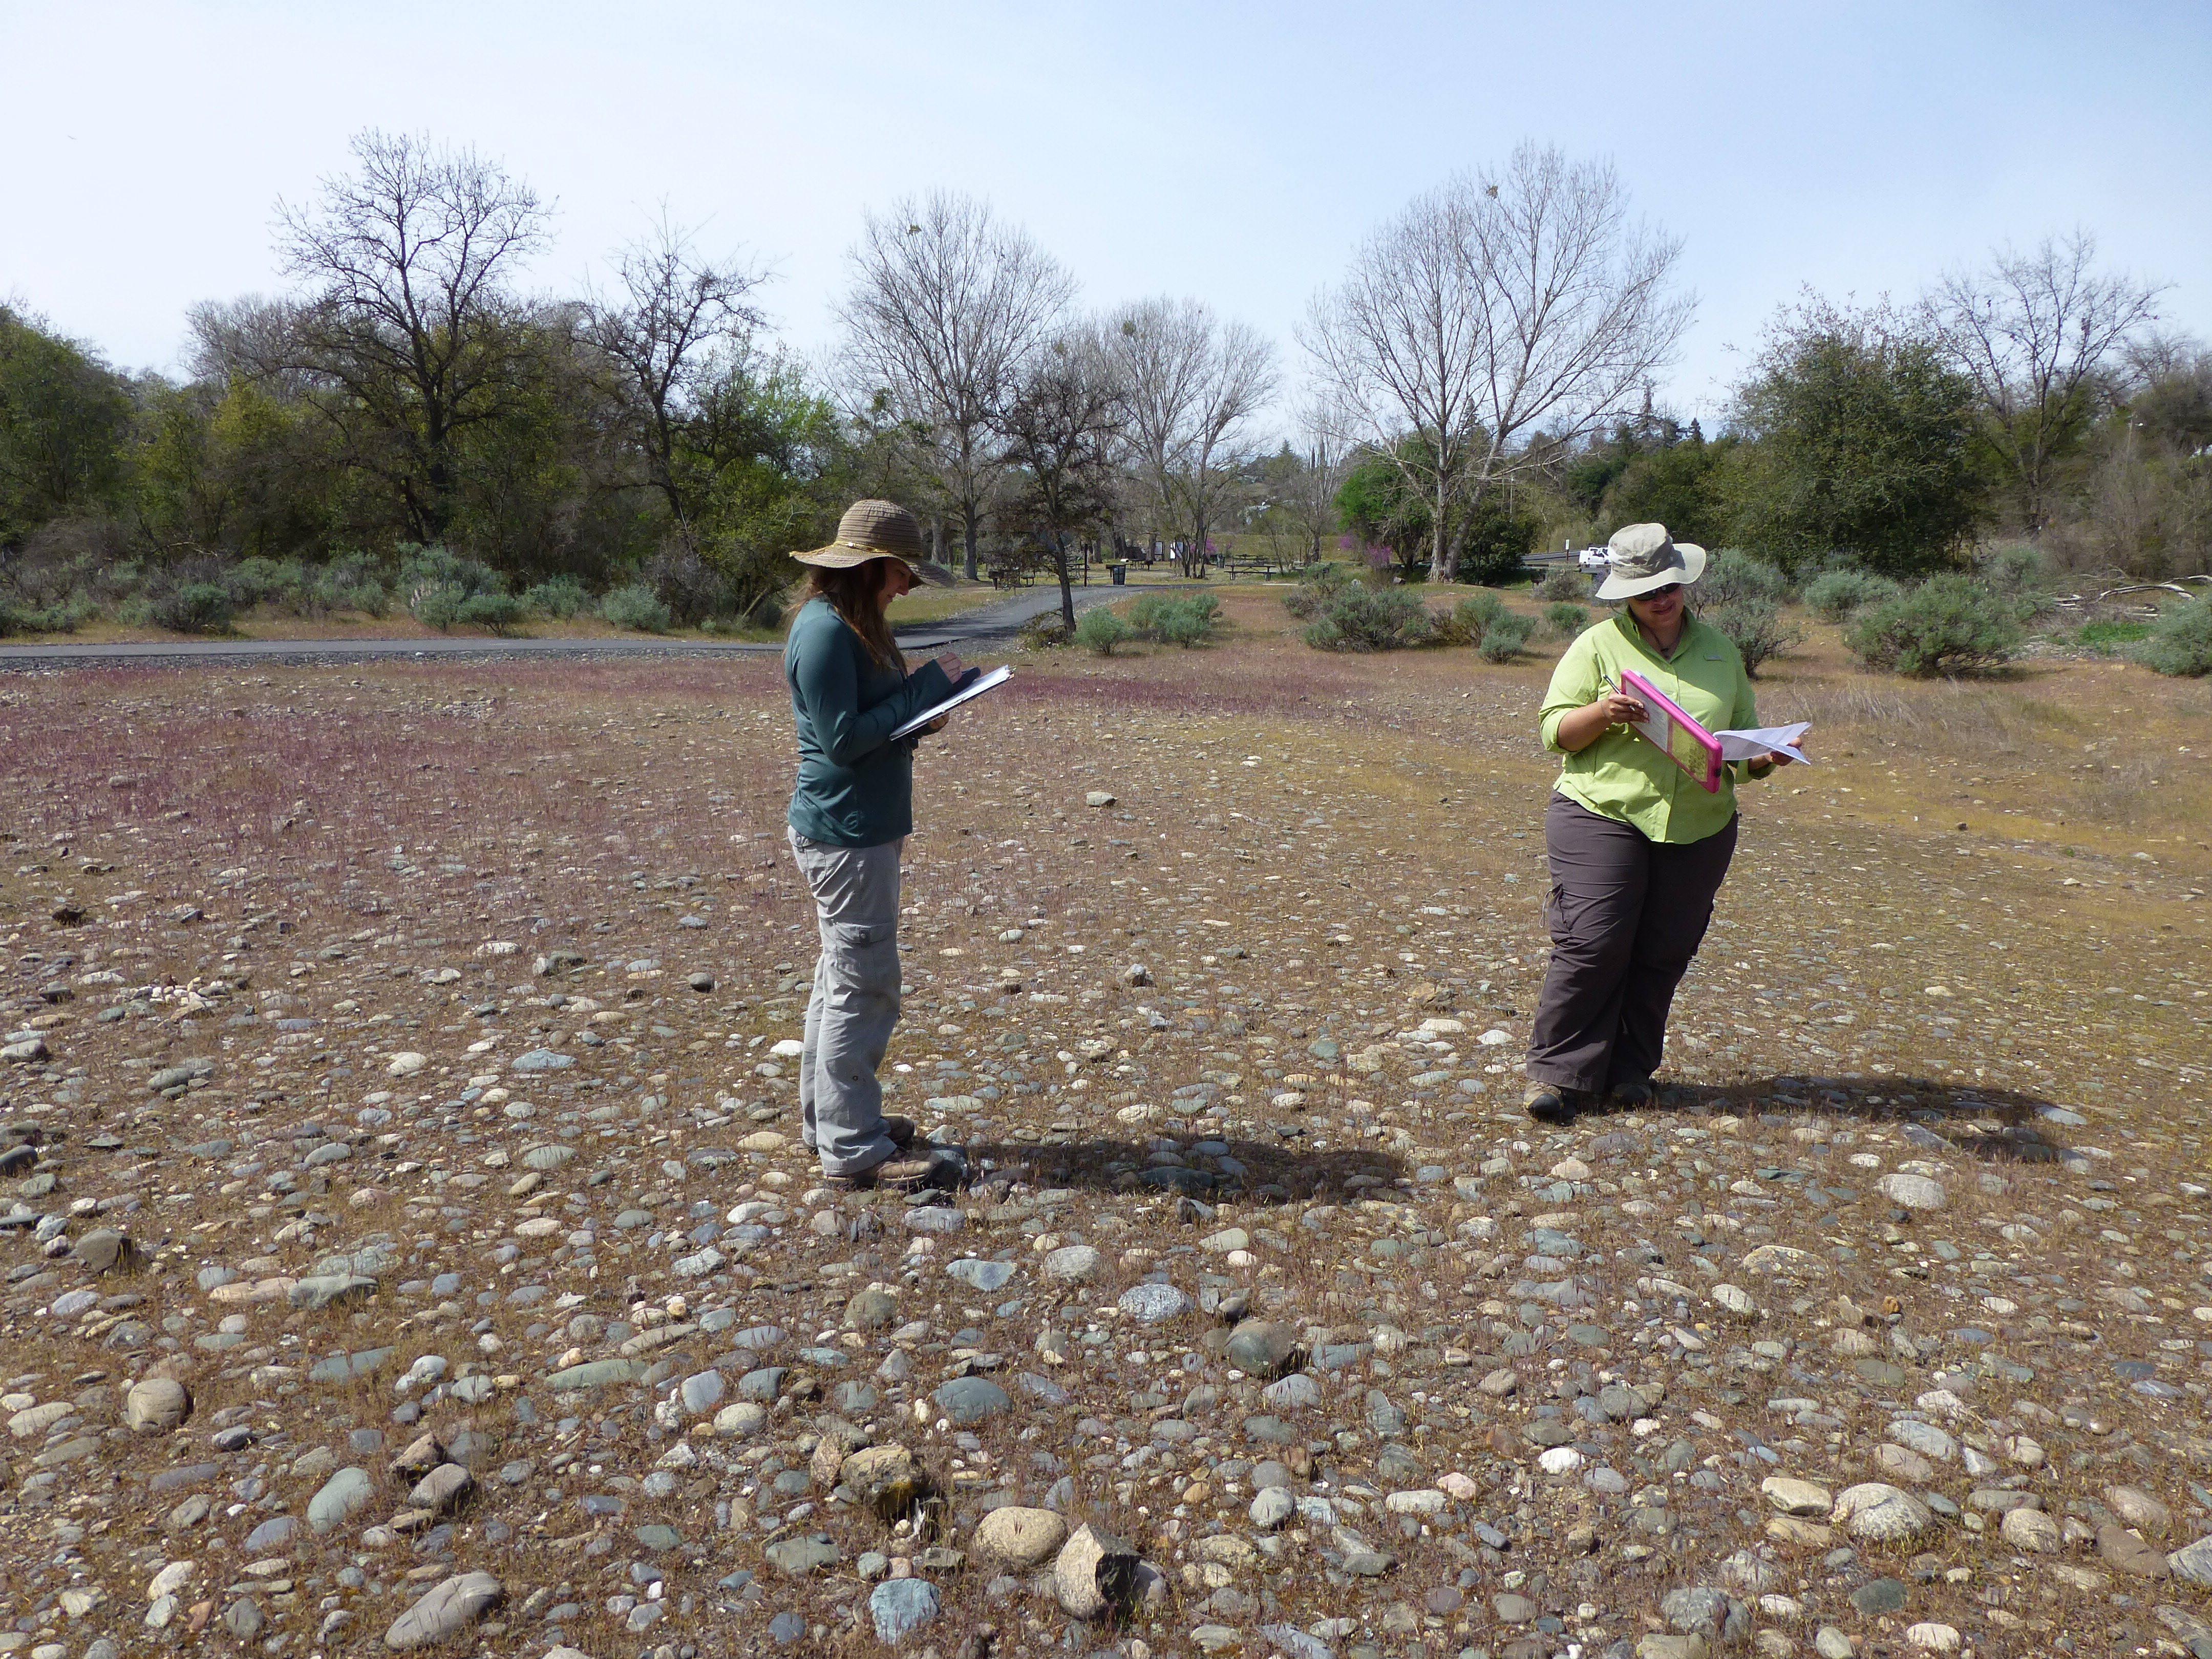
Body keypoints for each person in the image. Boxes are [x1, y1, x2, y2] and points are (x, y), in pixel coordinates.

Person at [1522, 523, 1807, 1124]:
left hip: (1700, 825)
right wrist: (1602, 712)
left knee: (1664, 949)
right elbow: (1554, 733)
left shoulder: (1721, 651)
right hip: (1604, 812)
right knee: (1593, 942)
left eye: (1669, 586)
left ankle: (1630, 1072)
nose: (1661, 599)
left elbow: (1739, 751)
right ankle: (1561, 1075)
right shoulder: (1596, 646)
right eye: (1646, 590)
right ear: (1624, 594)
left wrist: (1768, 757)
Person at [785, 499, 975, 1190]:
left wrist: (924, 710)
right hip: (847, 835)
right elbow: (841, 741)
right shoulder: (826, 633)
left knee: (842, 976)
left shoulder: (852, 624)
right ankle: (853, 1146)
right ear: (870, 567)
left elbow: (868, 726)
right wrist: (922, 694)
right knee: (863, 985)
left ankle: (830, 1122)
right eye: (902, 574)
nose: (907, 588)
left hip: (859, 830)